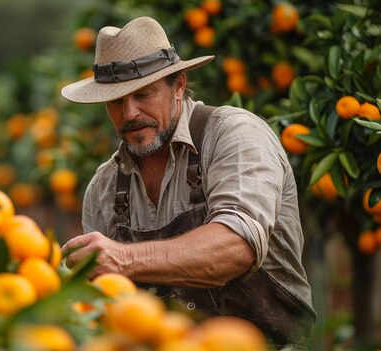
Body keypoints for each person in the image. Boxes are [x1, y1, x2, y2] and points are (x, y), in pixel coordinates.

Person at [59, 16, 317, 348]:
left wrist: (124, 258)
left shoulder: (234, 135)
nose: (130, 113)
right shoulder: (104, 188)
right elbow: (109, 304)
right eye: (116, 102)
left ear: (178, 86)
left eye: (143, 94)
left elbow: (236, 248)